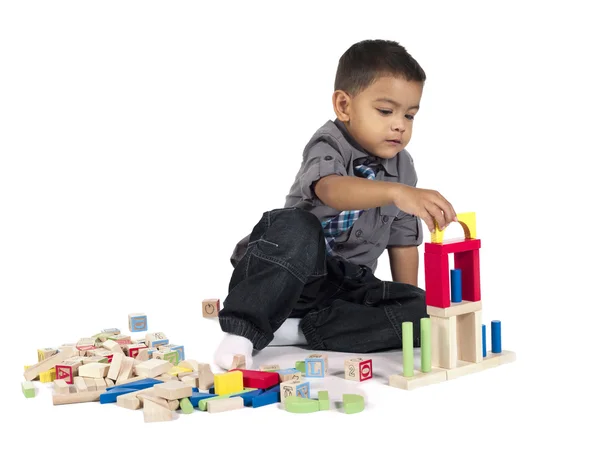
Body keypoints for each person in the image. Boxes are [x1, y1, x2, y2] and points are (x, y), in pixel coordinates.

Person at [213, 39, 456, 370]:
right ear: (344, 106)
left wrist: (404, 299)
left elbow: (403, 243)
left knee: (424, 311)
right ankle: (244, 330)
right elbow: (330, 190)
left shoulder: (403, 167)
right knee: (293, 224)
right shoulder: (330, 142)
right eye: (386, 111)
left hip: (346, 290)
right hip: (291, 271)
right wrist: (395, 193)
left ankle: (297, 331)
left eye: (409, 115)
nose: (399, 124)